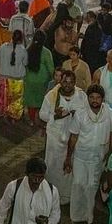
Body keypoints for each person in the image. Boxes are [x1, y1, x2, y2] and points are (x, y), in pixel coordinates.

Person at [64, 85, 112, 224]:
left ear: (102, 99)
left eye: (98, 97)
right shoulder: (81, 114)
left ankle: (88, 215)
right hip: (80, 156)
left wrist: (110, 152)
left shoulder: (109, 113)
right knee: (78, 184)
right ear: (87, 98)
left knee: (91, 186)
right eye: (92, 97)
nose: (95, 100)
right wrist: (68, 158)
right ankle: (75, 217)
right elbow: (73, 137)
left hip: (98, 157)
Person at [38, 70, 88, 205]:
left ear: (74, 83)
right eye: (65, 82)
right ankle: (51, 195)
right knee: (53, 166)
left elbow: (85, 113)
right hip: (55, 138)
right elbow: (42, 114)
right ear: (60, 81)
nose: (67, 85)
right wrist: (55, 116)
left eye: (71, 82)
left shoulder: (81, 96)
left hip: (72, 138)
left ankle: (66, 197)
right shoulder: (52, 95)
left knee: (69, 167)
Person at [0, 157, 60, 224]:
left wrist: (48, 223)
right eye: (34, 176)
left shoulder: (52, 191)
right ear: (27, 174)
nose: (37, 180)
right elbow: (3, 207)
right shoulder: (13, 186)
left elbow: (56, 213)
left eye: (41, 177)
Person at [23, 30, 54, 126]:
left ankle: (31, 120)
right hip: (42, 82)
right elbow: (51, 68)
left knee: (31, 102)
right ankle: (41, 120)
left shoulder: (28, 50)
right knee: (41, 101)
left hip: (29, 80)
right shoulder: (46, 52)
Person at [0, 30, 28, 121]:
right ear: (21, 39)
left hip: (4, 77)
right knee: (16, 98)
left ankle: (2, 113)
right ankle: (13, 116)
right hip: (17, 78)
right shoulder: (23, 50)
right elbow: (25, 63)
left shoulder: (3, 47)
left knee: (3, 96)